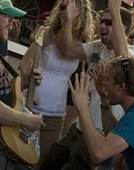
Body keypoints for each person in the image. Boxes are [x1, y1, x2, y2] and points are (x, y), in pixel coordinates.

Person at [40, 0, 134, 169]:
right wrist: (68, 22)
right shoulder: (97, 47)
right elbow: (68, 50)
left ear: (122, 27)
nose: (103, 25)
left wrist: (115, 11)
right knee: (48, 163)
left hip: (99, 133)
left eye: (109, 23)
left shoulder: (133, 52)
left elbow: (124, 62)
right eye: (102, 21)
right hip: (80, 126)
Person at [19, 0, 94, 168]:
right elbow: (25, 64)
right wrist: (31, 85)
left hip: (56, 113)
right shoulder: (47, 32)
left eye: (68, 7)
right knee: (20, 157)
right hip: (31, 105)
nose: (64, 10)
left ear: (81, 11)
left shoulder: (82, 42)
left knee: (42, 161)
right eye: (62, 6)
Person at [0, 0, 45, 169]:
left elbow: (1, 85)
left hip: (7, 128)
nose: (12, 21)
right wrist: (25, 119)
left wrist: (24, 83)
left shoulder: (1, 41)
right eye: (6, 15)